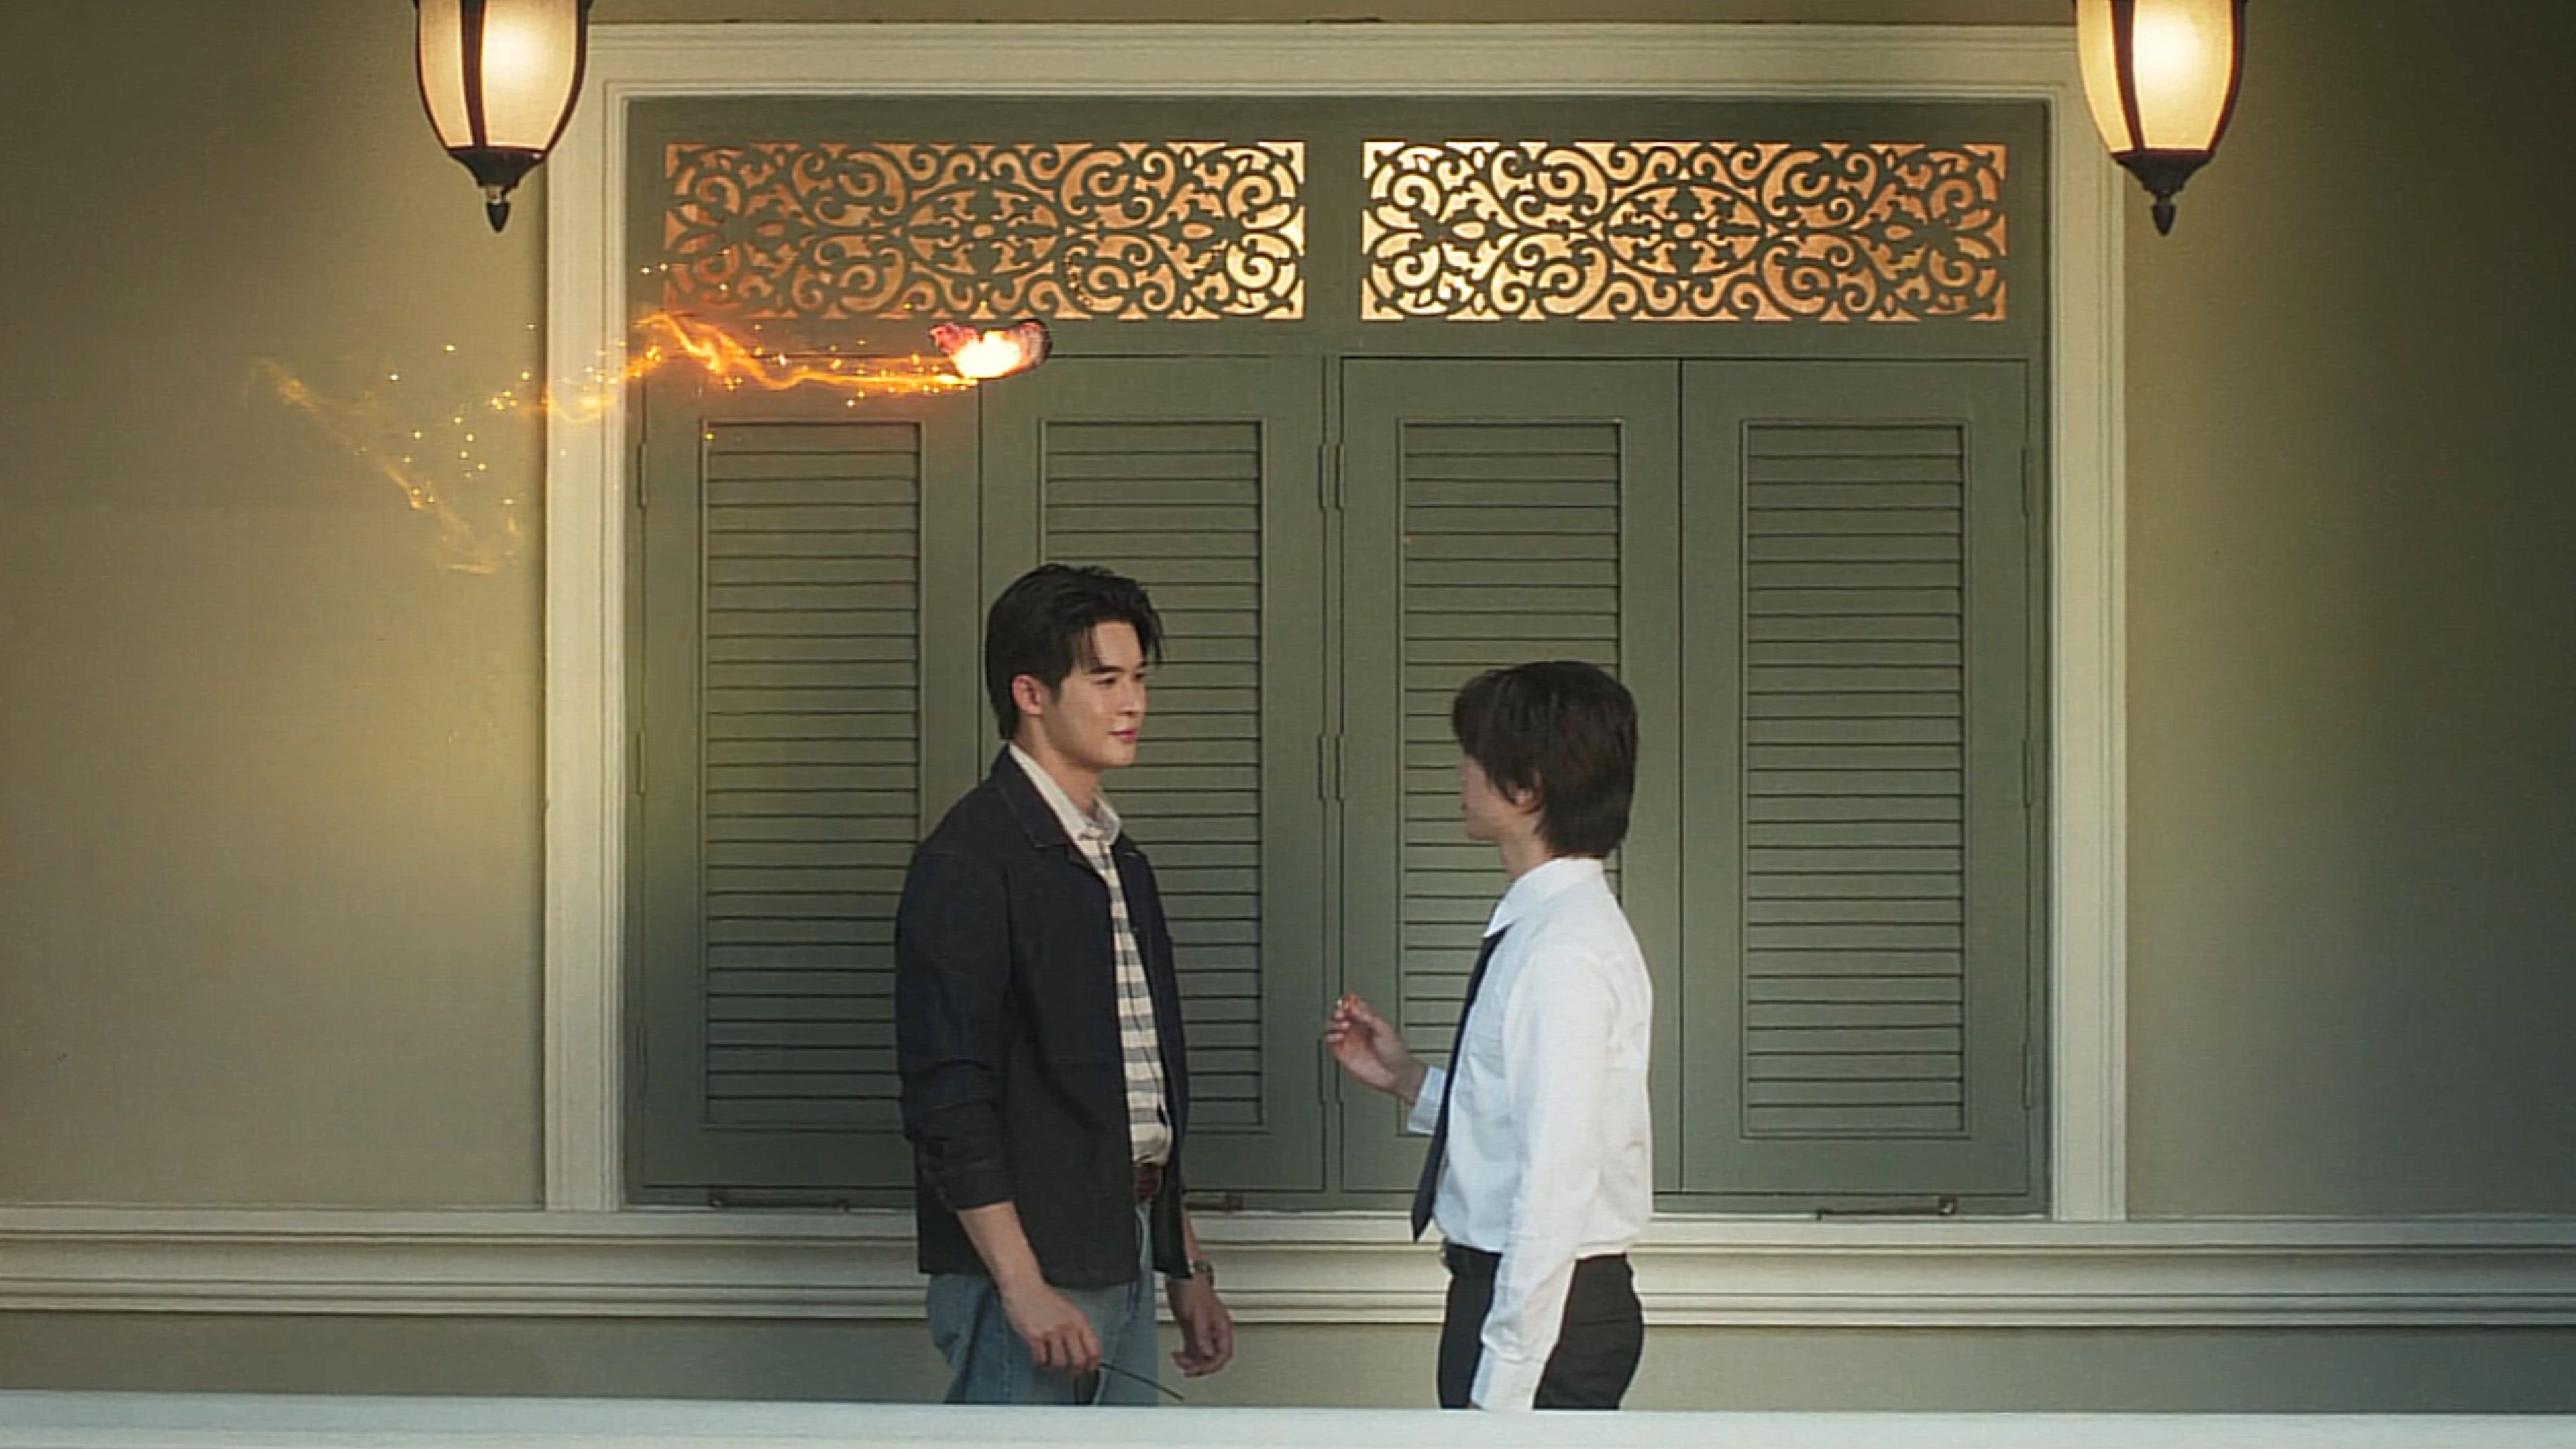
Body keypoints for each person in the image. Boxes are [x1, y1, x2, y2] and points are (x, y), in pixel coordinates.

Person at [896, 563, 1234, 1405]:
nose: (1133, 704)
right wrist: (1021, 1284)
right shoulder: (971, 859)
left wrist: (1183, 1263)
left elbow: (1141, 1088)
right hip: (1033, 1265)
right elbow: (948, 1098)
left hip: (1123, 1241)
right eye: (1106, 680)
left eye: (1140, 679)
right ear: (1031, 694)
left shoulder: (1120, 859)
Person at [1324, 661, 1653, 1411]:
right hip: (1528, 1301)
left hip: (1542, 1313)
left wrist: (1503, 1384)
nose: (1461, 772)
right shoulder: (1550, 929)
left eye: (1474, 755)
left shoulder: (1562, 950)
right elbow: (1532, 1123)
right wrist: (1410, 1080)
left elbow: (1557, 1176)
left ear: (1525, 786)